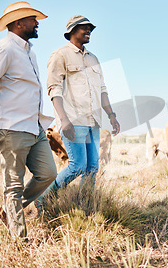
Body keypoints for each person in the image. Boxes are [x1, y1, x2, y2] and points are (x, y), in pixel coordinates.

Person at [0, 1, 57, 240]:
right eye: (33, 19)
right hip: (11, 128)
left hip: (34, 126)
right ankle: (20, 241)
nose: (37, 23)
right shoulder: (4, 49)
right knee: (13, 186)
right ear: (19, 22)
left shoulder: (29, 52)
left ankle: (5, 212)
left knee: (48, 173)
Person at [39, 15, 120, 206]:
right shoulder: (60, 55)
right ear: (72, 32)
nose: (88, 31)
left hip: (93, 121)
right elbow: (54, 89)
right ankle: (44, 199)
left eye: (90, 28)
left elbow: (102, 90)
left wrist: (111, 115)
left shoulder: (93, 59)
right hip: (73, 120)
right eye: (84, 28)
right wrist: (63, 120)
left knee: (92, 167)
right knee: (77, 166)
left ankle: (84, 205)